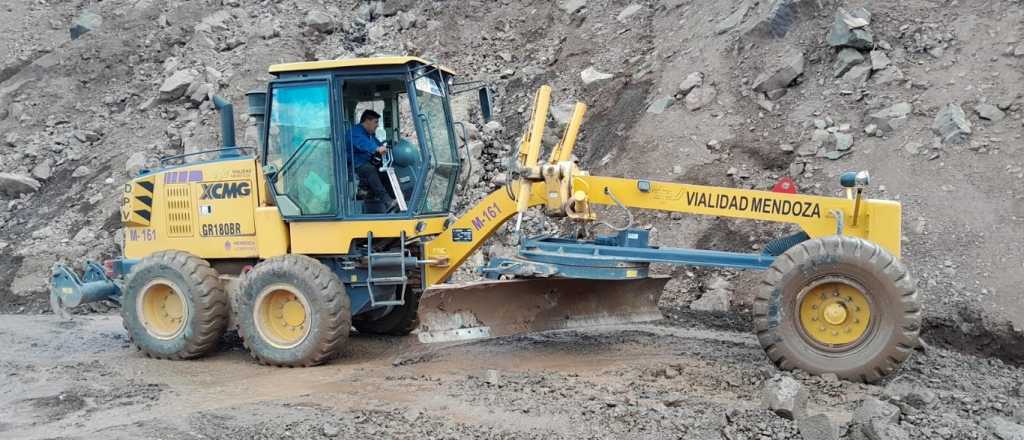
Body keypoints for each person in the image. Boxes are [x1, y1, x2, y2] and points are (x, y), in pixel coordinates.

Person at [349, 109, 396, 211]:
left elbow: (377, 144)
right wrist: (376, 149)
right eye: (375, 122)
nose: (377, 125)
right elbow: (362, 143)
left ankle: (394, 197)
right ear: (367, 121)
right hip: (355, 165)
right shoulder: (355, 132)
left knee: (384, 170)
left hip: (364, 162)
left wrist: (385, 147)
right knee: (370, 170)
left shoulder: (369, 135)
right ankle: (387, 202)